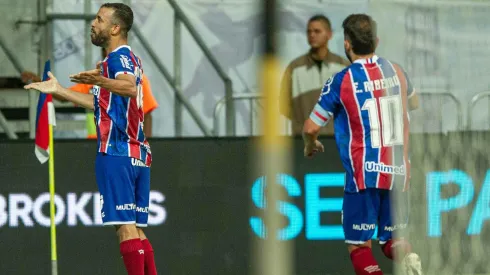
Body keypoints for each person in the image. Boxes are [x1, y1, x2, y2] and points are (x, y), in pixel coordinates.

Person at [24, 3, 157, 275]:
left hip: (117, 152)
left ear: (115, 28)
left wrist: (100, 81)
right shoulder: (129, 59)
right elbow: (99, 103)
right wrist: (58, 90)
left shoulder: (117, 59)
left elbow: (130, 87)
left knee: (125, 230)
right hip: (137, 152)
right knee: (137, 231)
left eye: (99, 19)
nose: (93, 23)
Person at [302, 14, 421, 275]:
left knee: (358, 247)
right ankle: (410, 257)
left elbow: (311, 127)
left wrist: (310, 144)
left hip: (363, 174)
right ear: (376, 41)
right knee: (392, 241)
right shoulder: (398, 71)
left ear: (346, 44)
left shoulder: (342, 81)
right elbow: (414, 103)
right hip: (398, 172)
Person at [21, 48, 158, 138]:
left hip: (126, 145)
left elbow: (147, 114)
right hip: (96, 144)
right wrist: (41, 81)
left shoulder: (139, 80)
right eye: (106, 52)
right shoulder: (94, 79)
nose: (108, 56)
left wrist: (146, 145)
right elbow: (65, 96)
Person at [280, 14, 350, 136]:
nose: (312, 35)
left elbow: (353, 103)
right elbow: (283, 105)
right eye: (309, 32)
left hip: (336, 139)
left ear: (329, 34)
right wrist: (302, 122)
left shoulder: (343, 67)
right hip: (304, 141)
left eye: (317, 31)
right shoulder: (294, 68)